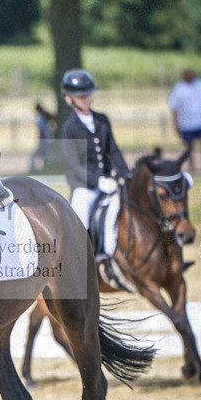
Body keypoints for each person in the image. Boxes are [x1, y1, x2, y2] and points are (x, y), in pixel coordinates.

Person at [61, 68, 130, 262]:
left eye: (88, 94)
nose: (86, 98)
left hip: (111, 181)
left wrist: (126, 173)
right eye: (80, 96)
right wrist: (97, 181)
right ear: (69, 99)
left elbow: (113, 150)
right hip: (85, 186)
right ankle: (76, 265)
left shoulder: (102, 120)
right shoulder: (69, 128)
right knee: (79, 221)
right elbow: (74, 164)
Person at [167, 68, 201, 172]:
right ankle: (193, 168)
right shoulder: (179, 88)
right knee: (189, 147)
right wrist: (175, 123)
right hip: (186, 123)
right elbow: (174, 107)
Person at [29, 102, 56, 171]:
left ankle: (33, 168)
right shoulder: (44, 118)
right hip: (48, 138)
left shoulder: (40, 119)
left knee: (38, 154)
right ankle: (47, 167)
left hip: (44, 139)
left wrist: (40, 140)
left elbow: (41, 131)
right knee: (45, 154)